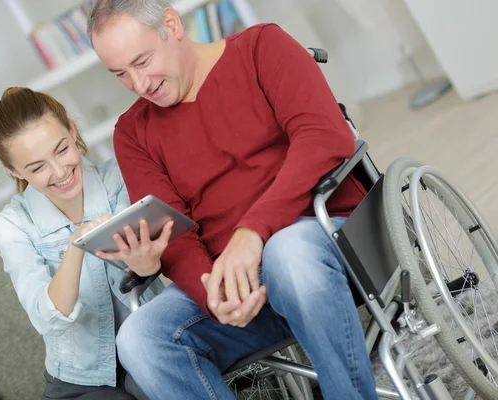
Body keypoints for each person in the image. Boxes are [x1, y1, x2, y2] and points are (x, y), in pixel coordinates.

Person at [87, 1, 378, 399]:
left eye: (142, 61)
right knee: (140, 338)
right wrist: (212, 293)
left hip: (327, 242)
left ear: (171, 25)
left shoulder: (262, 47)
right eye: (120, 73)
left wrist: (252, 232)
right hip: (237, 287)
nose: (139, 84)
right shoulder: (133, 133)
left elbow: (324, 137)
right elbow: (171, 230)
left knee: (287, 250)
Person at [0, 87, 169, 400]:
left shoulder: (118, 175)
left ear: (72, 130)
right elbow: (48, 317)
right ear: (13, 171)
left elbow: (154, 258)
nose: (60, 172)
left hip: (153, 342)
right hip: (81, 381)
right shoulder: (13, 225)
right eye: (37, 167)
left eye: (61, 150)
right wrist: (76, 245)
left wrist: (147, 264)